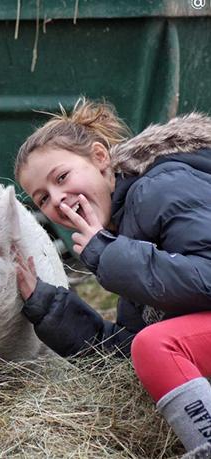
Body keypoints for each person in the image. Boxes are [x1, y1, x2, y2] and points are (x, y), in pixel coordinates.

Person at [13, 98, 211, 457]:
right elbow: (127, 361)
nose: (57, 200)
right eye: (42, 198)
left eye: (62, 177)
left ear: (101, 158)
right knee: (147, 348)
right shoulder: (124, 236)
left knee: (155, 346)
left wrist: (107, 254)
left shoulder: (161, 189)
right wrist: (48, 306)